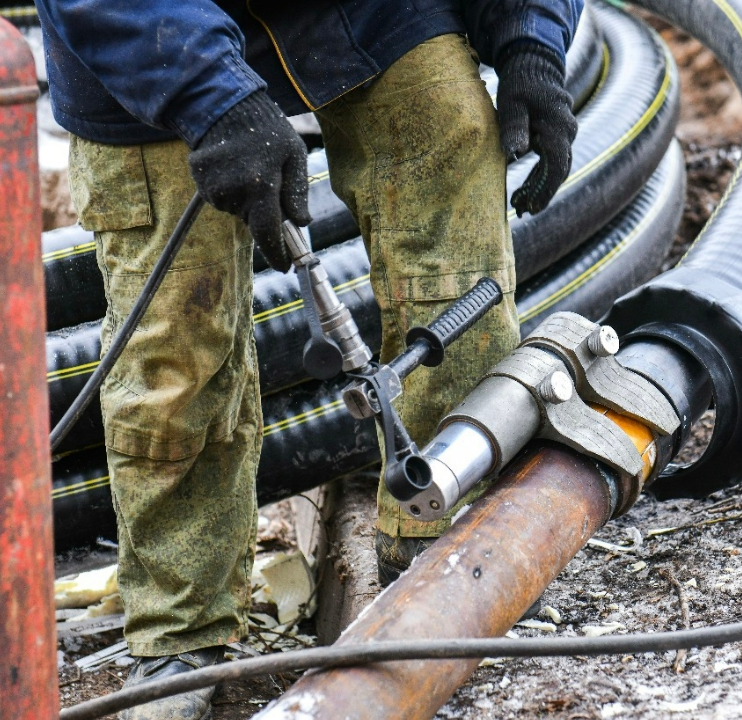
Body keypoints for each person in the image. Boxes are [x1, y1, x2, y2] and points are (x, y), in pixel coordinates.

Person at [36, 1, 580, 717]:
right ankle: (180, 630)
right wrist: (210, 95)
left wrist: (531, 36)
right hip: (147, 37)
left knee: (453, 184)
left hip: (363, 14)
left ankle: (444, 553)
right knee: (173, 343)